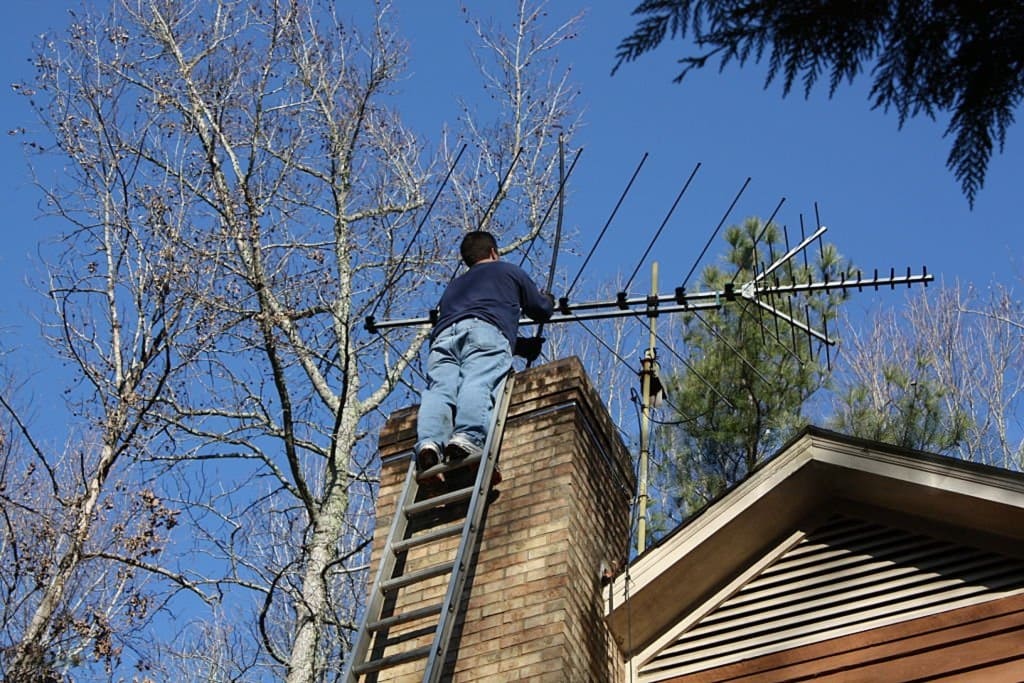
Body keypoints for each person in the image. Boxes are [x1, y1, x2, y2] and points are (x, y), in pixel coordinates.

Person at [416, 231, 554, 473]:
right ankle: (467, 437)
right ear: (493, 252)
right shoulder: (507, 271)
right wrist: (548, 300)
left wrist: (522, 347)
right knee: (478, 380)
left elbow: (469, 323)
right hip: (485, 331)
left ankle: (429, 443)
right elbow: (539, 309)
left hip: (443, 338)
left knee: (439, 390)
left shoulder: (455, 286)